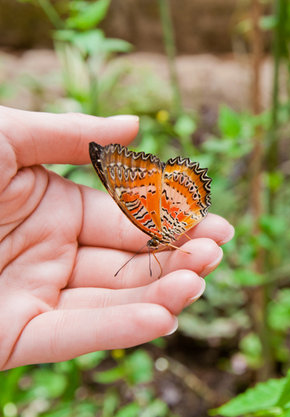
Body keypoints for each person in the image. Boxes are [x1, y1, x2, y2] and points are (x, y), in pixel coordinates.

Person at [0, 106, 234, 371]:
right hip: (180, 203)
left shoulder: (154, 230)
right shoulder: (157, 235)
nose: (153, 248)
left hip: (179, 197)